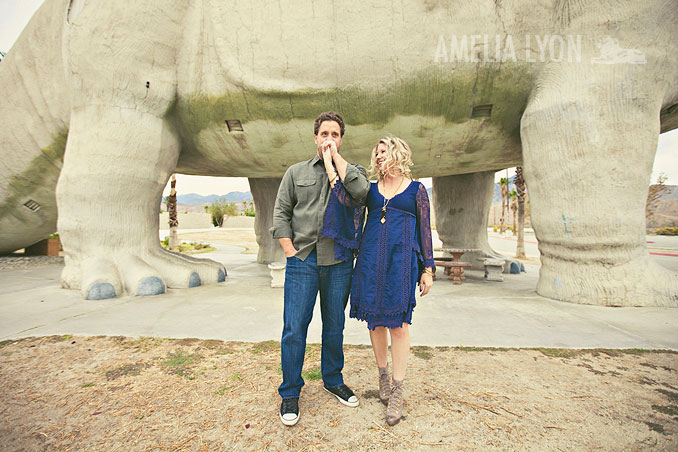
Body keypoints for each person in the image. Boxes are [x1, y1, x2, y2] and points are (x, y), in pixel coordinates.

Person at [321, 136, 434, 426]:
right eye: (377, 153)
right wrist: (330, 163)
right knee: (376, 323)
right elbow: (344, 199)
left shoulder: (417, 191)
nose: (379, 156)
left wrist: (428, 270)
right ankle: (382, 375)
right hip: (371, 263)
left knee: (399, 326)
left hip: (400, 265)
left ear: (398, 152)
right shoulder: (371, 191)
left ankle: (397, 389)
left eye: (383, 151)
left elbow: (425, 233)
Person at [271, 111, 370, 426]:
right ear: (315, 137)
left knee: (334, 326)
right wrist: (289, 250)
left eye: (335, 135)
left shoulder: (353, 172)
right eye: (324, 134)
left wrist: (336, 162)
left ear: (341, 139)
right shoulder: (296, 172)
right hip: (303, 261)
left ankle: (333, 379)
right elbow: (281, 212)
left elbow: (361, 193)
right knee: (294, 329)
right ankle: (290, 392)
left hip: (339, 260)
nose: (329, 140)